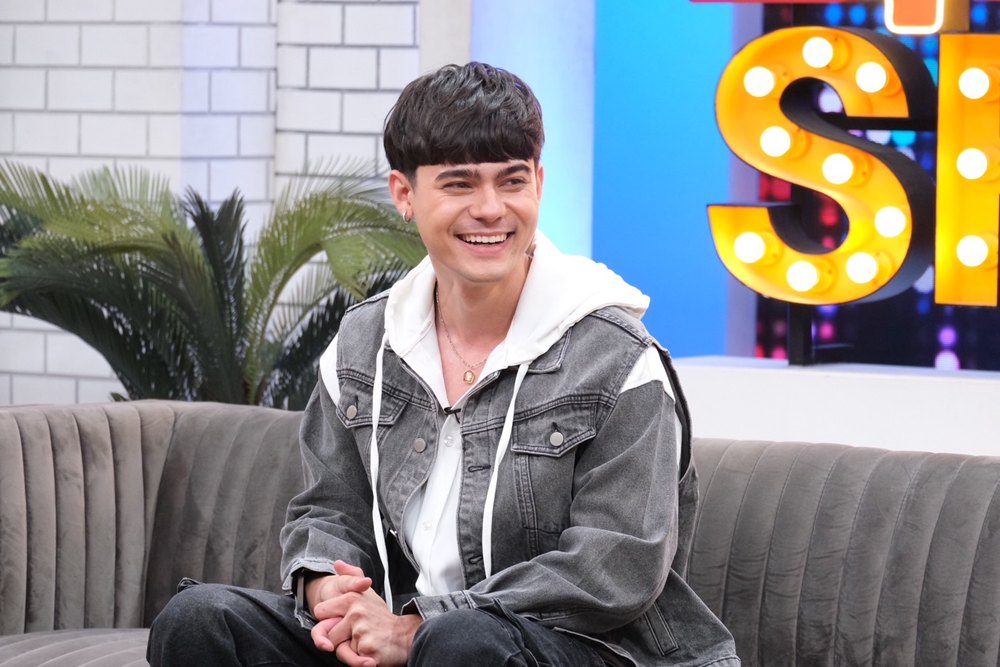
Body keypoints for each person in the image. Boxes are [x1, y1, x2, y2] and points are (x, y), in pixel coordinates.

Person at [147, 62, 739, 667]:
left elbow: (616, 566)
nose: (491, 209)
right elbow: (329, 508)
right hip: (412, 635)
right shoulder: (364, 344)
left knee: (462, 642)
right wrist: (331, 590)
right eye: (459, 184)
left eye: (511, 181)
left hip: (587, 649)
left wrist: (416, 627)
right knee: (199, 621)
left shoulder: (616, 357)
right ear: (404, 194)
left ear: (538, 183)